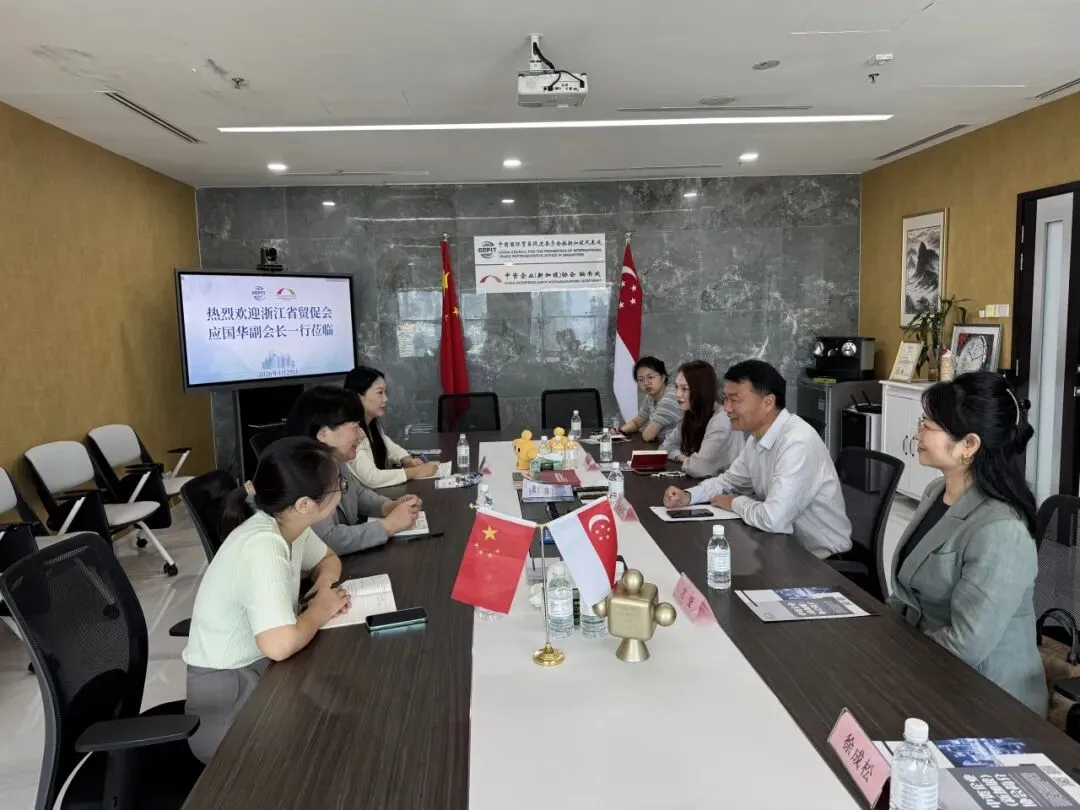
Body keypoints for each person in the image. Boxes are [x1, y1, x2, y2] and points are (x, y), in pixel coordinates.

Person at [183, 437, 351, 763]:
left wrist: (324, 586)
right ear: (305, 504)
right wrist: (320, 609)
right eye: (338, 486)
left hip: (262, 671)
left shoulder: (289, 524)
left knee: (334, 724)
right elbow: (279, 645)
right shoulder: (262, 545)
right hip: (230, 704)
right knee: (329, 747)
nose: (341, 490)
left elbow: (328, 559)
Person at [887, 372, 1046, 715]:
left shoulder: (1001, 529)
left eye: (928, 425)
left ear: (969, 445)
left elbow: (965, 646)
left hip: (986, 698)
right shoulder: (936, 493)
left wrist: (898, 663)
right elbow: (905, 595)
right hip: (928, 666)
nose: (918, 432)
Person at [662, 360, 851, 559]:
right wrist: (688, 496)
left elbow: (773, 518)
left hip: (822, 561)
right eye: (725, 399)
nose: (727, 408)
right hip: (783, 547)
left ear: (768, 403)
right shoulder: (756, 438)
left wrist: (735, 502)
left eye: (734, 400)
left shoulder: (797, 442)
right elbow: (728, 482)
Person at [285, 385, 421, 554]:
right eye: (355, 426)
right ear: (324, 434)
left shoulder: (333, 459)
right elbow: (327, 540)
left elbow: (356, 492)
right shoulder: (303, 477)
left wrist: (388, 506)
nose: (362, 434)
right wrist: (389, 525)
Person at [344, 366, 440, 488]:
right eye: (380, 393)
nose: (385, 399)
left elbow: (391, 448)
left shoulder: (373, 424)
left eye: (385, 392)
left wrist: (407, 460)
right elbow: (372, 478)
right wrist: (415, 472)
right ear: (359, 396)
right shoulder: (350, 432)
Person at [661, 360, 744, 478]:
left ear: (702, 390)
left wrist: (688, 460)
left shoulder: (722, 419)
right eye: (676, 387)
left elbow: (698, 468)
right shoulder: (692, 414)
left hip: (727, 487)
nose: (678, 394)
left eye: (684, 389)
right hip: (705, 483)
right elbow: (666, 446)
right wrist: (682, 457)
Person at [619, 356, 682, 442]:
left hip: (678, 449)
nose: (646, 383)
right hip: (662, 446)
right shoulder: (650, 397)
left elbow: (648, 436)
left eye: (650, 377)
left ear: (663, 377)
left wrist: (646, 426)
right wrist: (619, 431)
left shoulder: (671, 398)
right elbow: (636, 423)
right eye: (641, 379)